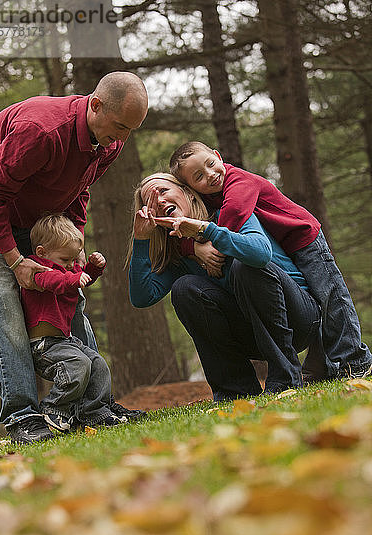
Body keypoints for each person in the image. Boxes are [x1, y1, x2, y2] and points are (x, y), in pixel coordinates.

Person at [0, 71, 148, 444]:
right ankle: (23, 417)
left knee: (70, 295)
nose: (122, 139)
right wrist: (16, 261)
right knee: (2, 305)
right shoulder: (41, 130)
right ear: (95, 105)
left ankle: (93, 407)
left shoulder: (109, 142)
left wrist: (75, 246)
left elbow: (78, 191)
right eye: (119, 126)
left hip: (33, 214)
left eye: (131, 130)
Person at [169, 141, 372, 382]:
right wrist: (192, 245)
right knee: (312, 298)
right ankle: (325, 364)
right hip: (284, 246)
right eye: (199, 176)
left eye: (211, 164)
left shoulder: (239, 181)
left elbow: (233, 214)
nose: (211, 175)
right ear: (190, 187)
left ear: (217, 155)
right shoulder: (212, 197)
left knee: (331, 296)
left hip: (303, 238)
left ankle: (355, 360)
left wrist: (203, 241)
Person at [127, 173, 321, 399]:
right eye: (149, 201)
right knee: (184, 288)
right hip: (254, 336)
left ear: (188, 193)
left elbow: (259, 255)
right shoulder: (179, 255)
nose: (159, 201)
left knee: (245, 265)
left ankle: (284, 380)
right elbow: (142, 297)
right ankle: (235, 391)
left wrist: (206, 231)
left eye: (163, 191)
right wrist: (141, 239)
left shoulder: (229, 212)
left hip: (299, 317)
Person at [21, 214, 145, 434]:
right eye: (65, 260)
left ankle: (94, 411)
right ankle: (54, 408)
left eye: (73, 259)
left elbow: (79, 277)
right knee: (78, 365)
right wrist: (74, 278)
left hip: (64, 341)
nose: (70, 265)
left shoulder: (66, 271)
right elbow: (54, 282)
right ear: (42, 252)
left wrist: (93, 269)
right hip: (44, 345)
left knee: (97, 363)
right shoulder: (38, 269)